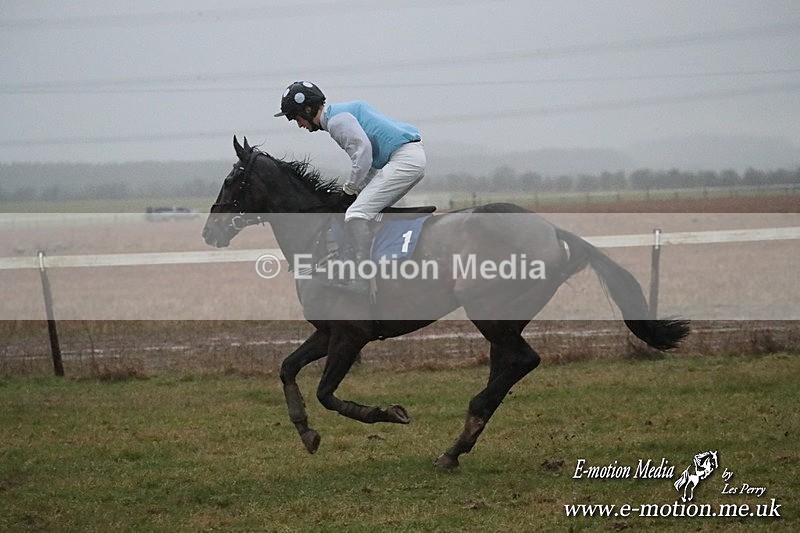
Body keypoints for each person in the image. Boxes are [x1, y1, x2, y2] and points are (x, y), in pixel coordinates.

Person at [275, 81, 426, 295]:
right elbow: (371, 162)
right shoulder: (341, 114)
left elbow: (363, 154)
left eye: (296, 117)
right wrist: (357, 190)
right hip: (404, 157)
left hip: (404, 159)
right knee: (362, 208)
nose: (299, 124)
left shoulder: (337, 121)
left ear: (307, 109)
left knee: (356, 213)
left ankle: (361, 281)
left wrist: (350, 189)